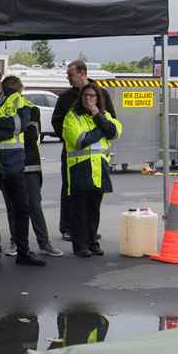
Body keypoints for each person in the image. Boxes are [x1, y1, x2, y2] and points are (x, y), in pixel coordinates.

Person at [0, 62, 46, 267]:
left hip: (15, 163)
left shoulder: (16, 97)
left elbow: (21, 124)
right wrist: (9, 126)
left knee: (22, 208)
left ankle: (23, 252)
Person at [53, 59, 112, 247]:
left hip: (97, 158)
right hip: (74, 153)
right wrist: (69, 138)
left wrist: (98, 131)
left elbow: (112, 123)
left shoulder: (101, 93)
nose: (68, 78)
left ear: (82, 73)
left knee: (94, 197)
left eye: (70, 75)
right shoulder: (65, 98)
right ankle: (68, 228)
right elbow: (57, 122)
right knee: (70, 192)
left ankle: (90, 234)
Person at [61, 83, 123, 257]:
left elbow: (114, 132)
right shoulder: (72, 117)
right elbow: (81, 140)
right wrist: (102, 128)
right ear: (81, 98)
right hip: (79, 168)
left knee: (94, 209)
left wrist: (98, 116)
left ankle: (92, 242)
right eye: (86, 96)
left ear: (98, 98)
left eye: (92, 96)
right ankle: (80, 245)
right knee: (79, 210)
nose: (89, 99)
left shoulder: (105, 115)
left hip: (99, 168)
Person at [6, 74, 64, 256]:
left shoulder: (31, 110)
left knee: (32, 205)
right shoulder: (1, 109)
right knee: (14, 206)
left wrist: (8, 128)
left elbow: (30, 136)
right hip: (10, 164)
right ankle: (17, 242)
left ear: (20, 91)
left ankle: (42, 243)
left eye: (14, 91)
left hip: (29, 164)